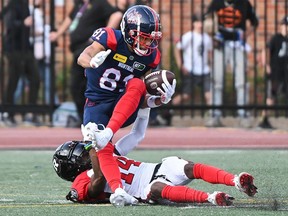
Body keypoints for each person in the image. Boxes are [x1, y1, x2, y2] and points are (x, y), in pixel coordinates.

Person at [52, 108, 258, 207]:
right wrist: (91, 147)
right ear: (72, 166)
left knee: (186, 166)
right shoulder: (81, 181)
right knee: (157, 188)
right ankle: (210, 197)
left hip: (156, 168)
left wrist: (145, 106)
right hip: (145, 189)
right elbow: (98, 180)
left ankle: (234, 180)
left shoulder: (107, 153)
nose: (83, 151)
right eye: (78, 153)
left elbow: (137, 135)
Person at [78, 5, 176, 207]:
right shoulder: (110, 38)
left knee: (137, 83)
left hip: (124, 105)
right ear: (129, 32)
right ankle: (88, 189)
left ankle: (108, 136)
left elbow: (143, 95)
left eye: (151, 38)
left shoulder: (151, 56)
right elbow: (82, 57)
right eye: (143, 37)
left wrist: (160, 99)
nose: (147, 43)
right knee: (98, 179)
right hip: (97, 105)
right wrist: (93, 61)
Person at [49, 0, 123, 125]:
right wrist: (57, 34)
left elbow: (117, 15)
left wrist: (105, 36)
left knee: (85, 85)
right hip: (78, 50)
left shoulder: (99, 3)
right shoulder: (79, 5)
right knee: (76, 86)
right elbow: (69, 19)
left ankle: (91, 120)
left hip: (90, 50)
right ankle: (85, 119)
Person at [205, 0, 259, 128]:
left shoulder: (244, 3)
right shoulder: (216, 3)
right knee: (216, 81)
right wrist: (212, 34)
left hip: (238, 45)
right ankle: (214, 115)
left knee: (241, 81)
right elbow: (207, 20)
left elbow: (255, 21)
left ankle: (243, 115)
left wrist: (247, 34)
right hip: (220, 45)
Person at [167, 14, 212, 126]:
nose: (200, 25)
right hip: (191, 69)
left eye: (202, 22)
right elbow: (178, 48)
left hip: (204, 70)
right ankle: (167, 110)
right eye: (198, 22)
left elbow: (209, 53)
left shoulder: (207, 38)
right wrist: (180, 64)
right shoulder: (188, 36)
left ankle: (211, 116)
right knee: (186, 95)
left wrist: (211, 66)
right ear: (194, 23)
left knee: (209, 94)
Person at [0, 0, 40, 127]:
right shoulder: (14, 4)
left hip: (25, 48)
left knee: (35, 79)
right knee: (13, 80)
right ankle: (7, 113)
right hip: (14, 48)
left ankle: (31, 113)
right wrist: (23, 23)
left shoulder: (25, 5)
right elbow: (9, 24)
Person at [258, 16, 288, 129]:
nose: (286, 28)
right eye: (285, 25)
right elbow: (265, 50)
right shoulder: (276, 38)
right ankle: (264, 119)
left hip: (285, 72)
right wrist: (266, 65)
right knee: (271, 96)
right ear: (281, 26)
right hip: (275, 72)